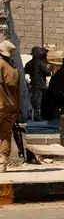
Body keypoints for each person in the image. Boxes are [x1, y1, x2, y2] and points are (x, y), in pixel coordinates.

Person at [0, 41, 20, 173]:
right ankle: (2, 164)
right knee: (5, 135)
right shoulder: (14, 70)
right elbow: (17, 93)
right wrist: (17, 110)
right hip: (11, 108)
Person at [24, 46, 51, 121]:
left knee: (33, 100)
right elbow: (48, 73)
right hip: (39, 84)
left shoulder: (29, 63)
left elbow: (25, 70)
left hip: (33, 84)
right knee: (37, 101)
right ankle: (36, 117)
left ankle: (33, 115)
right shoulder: (39, 63)